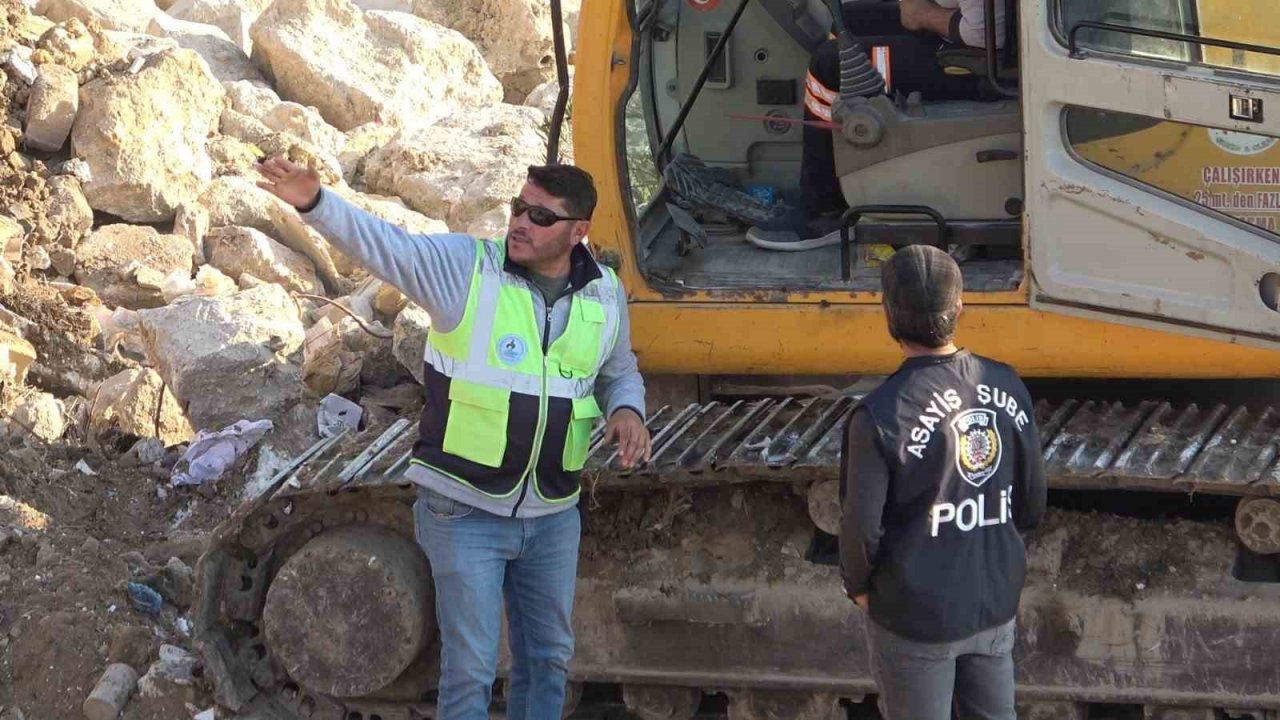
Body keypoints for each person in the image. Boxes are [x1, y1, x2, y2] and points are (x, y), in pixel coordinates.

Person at [256, 156, 651, 720]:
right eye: (518, 207)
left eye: (540, 216)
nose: (519, 222)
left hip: (553, 514)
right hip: (463, 512)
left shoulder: (605, 294)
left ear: (577, 231)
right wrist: (316, 202)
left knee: (549, 660)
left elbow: (618, 371)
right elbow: (388, 246)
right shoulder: (468, 271)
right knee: (470, 670)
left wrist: (628, 410)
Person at [839, 245, 1044, 719]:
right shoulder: (1008, 384)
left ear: (889, 314)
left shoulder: (880, 415)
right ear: (960, 308)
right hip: (992, 605)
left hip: (915, 619)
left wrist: (860, 588)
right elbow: (1031, 503)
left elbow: (860, 530)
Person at [748, 0, 1006, 249]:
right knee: (847, 21)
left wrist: (922, 14)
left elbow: (986, 35)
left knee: (828, 63)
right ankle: (840, 179)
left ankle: (824, 210)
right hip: (959, 36)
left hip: (980, 64)